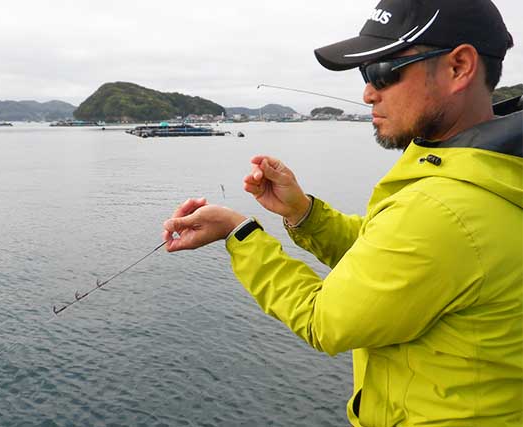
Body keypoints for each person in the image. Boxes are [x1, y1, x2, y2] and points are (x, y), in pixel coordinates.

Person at [162, 0, 522, 425]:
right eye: (365, 74)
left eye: (383, 71)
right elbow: (391, 259)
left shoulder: (444, 209)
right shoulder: (493, 174)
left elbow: (325, 319)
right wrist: (303, 213)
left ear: (459, 66)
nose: (368, 92)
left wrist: (237, 232)